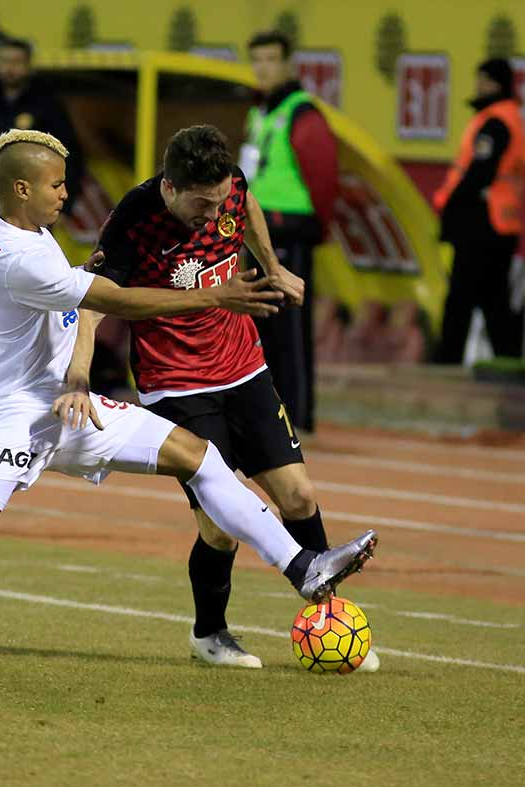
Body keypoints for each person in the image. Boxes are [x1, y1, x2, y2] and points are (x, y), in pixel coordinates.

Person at [0, 129, 377, 658]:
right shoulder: (22, 260)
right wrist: (214, 297)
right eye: (55, 184)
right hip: (22, 409)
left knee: (200, 458)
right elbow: (114, 302)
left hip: (75, 407)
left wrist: (79, 372)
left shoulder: (1, 216)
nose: (66, 194)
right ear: (22, 189)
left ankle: (302, 568)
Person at [68, 124, 379, 671]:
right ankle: (209, 634)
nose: (213, 217)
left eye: (218, 204)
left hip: (244, 367)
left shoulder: (228, 185)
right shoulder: (134, 221)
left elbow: (247, 202)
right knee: (220, 524)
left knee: (300, 497)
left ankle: (329, 620)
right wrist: (79, 372)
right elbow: (95, 301)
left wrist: (275, 266)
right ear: (170, 187)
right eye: (200, 206)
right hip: (174, 383)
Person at [240, 30, 338, 433]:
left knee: (292, 331)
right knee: (261, 325)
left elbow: (324, 175)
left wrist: (316, 226)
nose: (262, 67)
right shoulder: (259, 112)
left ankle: (298, 415)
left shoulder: (302, 113)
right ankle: (270, 414)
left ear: (287, 65)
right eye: (257, 59)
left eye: (270, 59)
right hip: (257, 231)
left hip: (290, 230)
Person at [433, 57, 525, 363]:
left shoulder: (496, 122)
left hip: (483, 223)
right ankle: (509, 360)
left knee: (462, 298)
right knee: (494, 301)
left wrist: (451, 206)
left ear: (495, 84)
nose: (478, 87)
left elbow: (478, 174)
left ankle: (447, 362)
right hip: (499, 226)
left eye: (483, 80)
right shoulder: (508, 117)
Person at [0, 39, 85, 211]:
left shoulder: (46, 105)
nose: (9, 68)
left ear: (29, 66)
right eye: (4, 61)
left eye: (17, 62)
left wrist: (65, 204)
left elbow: (68, 155)